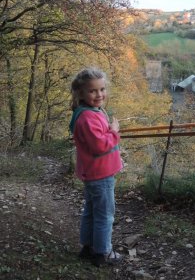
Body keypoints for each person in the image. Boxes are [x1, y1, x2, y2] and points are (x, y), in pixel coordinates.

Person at [69, 67, 123, 267]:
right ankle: (102, 253)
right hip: (100, 174)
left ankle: (88, 247)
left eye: (102, 89)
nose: (99, 94)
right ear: (81, 93)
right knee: (105, 215)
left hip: (94, 173)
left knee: (91, 211)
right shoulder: (88, 117)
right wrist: (114, 131)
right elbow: (100, 145)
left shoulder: (90, 111)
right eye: (93, 91)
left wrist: (108, 129)